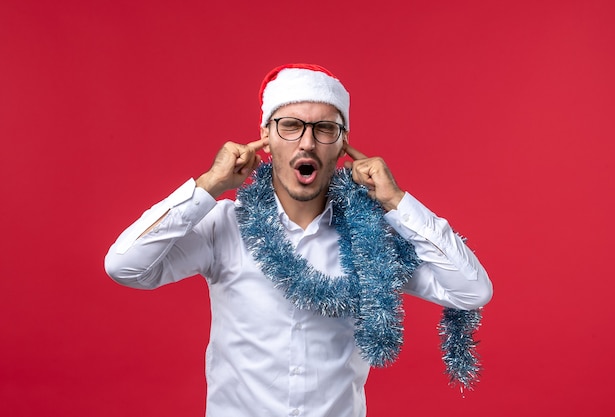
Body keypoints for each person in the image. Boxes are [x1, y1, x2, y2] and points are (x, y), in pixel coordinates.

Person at [105, 63, 493, 417]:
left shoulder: (372, 239)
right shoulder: (223, 225)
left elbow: (471, 291)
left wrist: (396, 201)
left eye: (324, 128)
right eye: (290, 126)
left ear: (341, 145)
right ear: (265, 138)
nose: (306, 143)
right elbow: (124, 266)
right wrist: (209, 185)